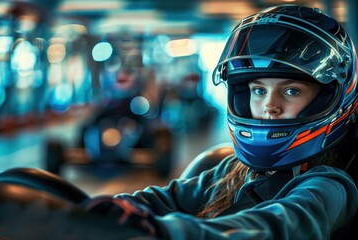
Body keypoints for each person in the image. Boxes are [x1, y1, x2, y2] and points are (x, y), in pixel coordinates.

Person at [81, 4, 358, 239]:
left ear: (328, 98)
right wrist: (111, 209)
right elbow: (165, 199)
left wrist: (164, 230)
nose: (269, 106)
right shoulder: (230, 170)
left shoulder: (330, 186)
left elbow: (275, 226)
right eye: (258, 90)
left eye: (291, 91)